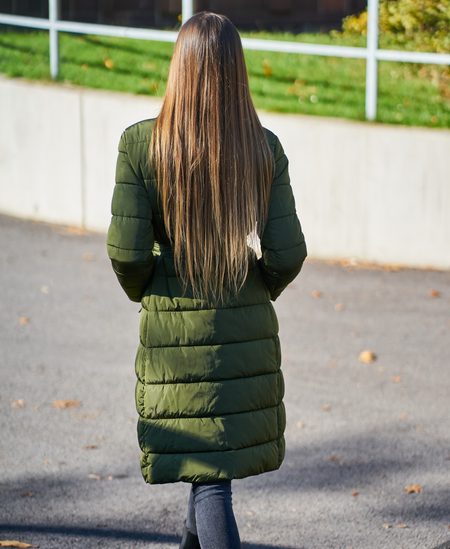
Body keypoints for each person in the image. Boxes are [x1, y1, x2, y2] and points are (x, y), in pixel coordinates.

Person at [106, 10, 307, 549]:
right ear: (236, 71)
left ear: (180, 67)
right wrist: (256, 283)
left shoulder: (143, 145)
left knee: (209, 482)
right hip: (241, 321)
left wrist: (152, 285)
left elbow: (126, 253)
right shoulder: (262, 148)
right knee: (208, 475)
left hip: (174, 333)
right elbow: (288, 253)